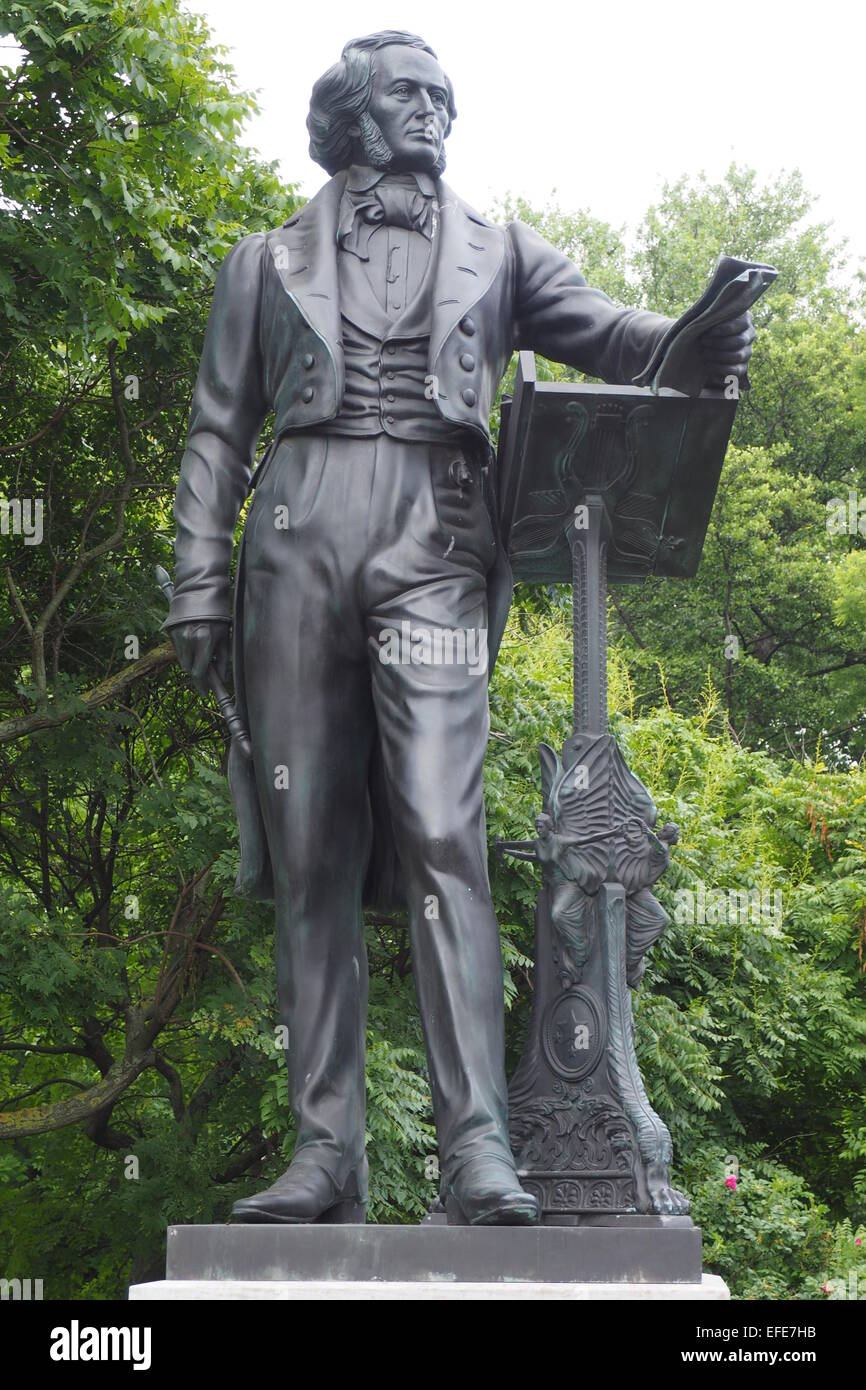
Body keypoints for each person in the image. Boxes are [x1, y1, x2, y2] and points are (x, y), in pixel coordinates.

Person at [164, 30, 755, 1226]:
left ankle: (478, 1143)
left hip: (434, 531)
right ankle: (324, 1150)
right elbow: (219, 430)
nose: (435, 111)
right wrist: (195, 583)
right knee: (310, 847)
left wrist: (693, 335)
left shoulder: (498, 247)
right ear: (351, 116)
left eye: (445, 96)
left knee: (445, 828)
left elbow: (613, 332)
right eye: (410, 94)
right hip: (295, 530)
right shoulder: (262, 261)